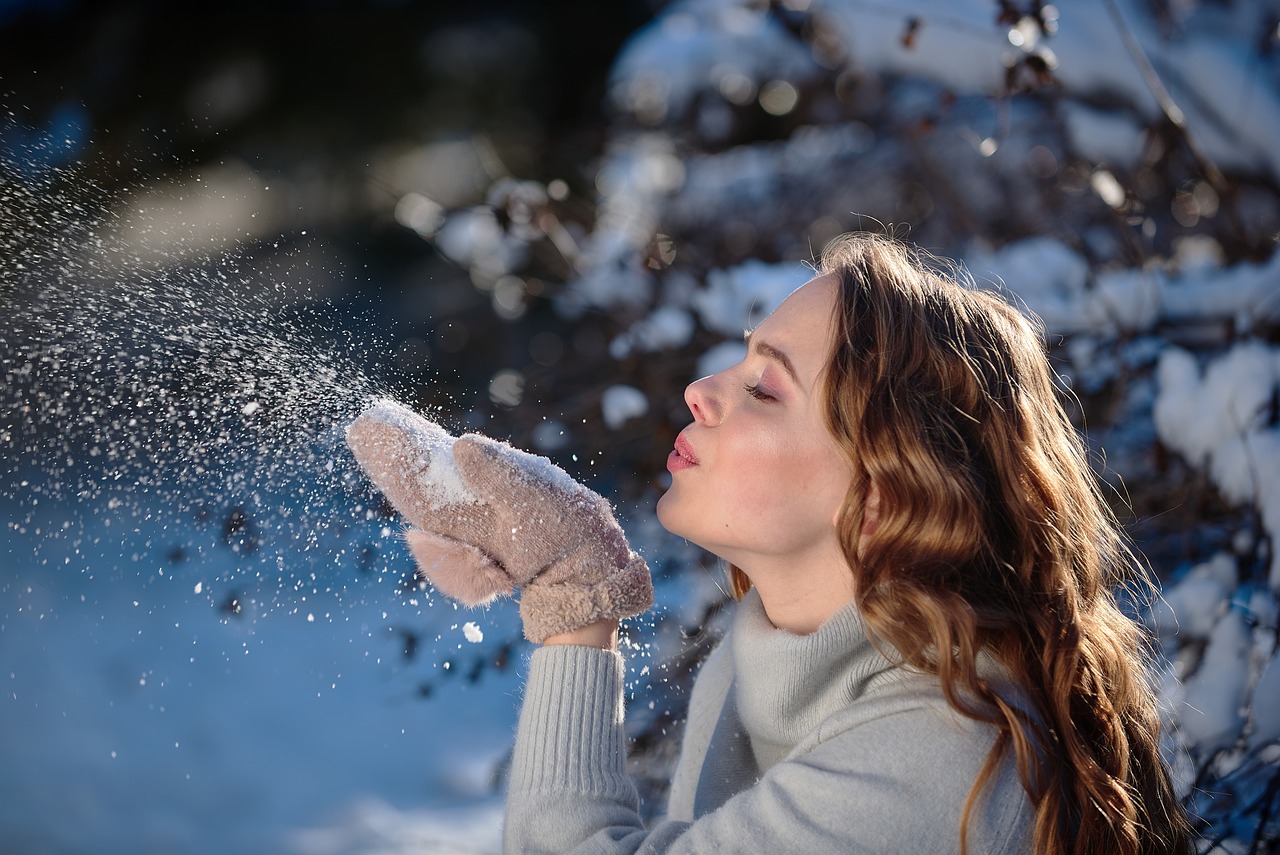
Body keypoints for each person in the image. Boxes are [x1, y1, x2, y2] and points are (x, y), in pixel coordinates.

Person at [346, 232, 1192, 854]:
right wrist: (576, 582)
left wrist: (577, 600)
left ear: (882, 492)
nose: (702, 389)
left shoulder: (944, 759)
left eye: (763, 386)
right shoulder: (766, 659)